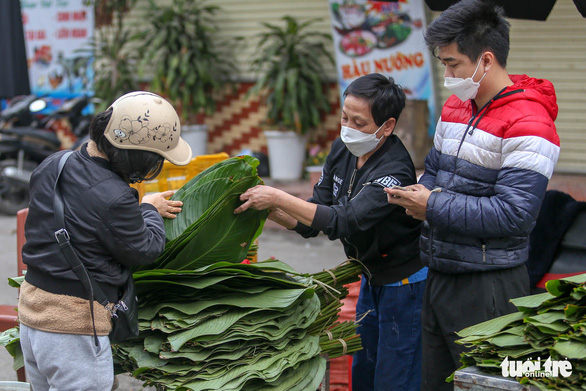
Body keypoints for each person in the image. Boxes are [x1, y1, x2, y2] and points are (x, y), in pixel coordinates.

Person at [384, 1, 560, 389]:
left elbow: (515, 215)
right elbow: (435, 170)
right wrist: (418, 195)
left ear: (486, 59)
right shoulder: (455, 108)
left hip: (489, 283)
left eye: (452, 64)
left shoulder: (530, 122)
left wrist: (432, 205)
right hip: (440, 271)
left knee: (483, 382)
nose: (447, 74)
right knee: (437, 382)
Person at [235, 73, 425, 391]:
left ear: (387, 126)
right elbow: (314, 219)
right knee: (364, 371)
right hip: (370, 277)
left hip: (404, 287)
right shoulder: (342, 149)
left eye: (359, 122)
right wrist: (269, 210)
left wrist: (277, 195)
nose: (348, 127)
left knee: (396, 377)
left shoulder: (394, 171)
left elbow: (344, 221)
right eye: (345, 116)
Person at [18, 91, 193, 391]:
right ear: (135, 155)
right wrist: (148, 209)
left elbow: (84, 218)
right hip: (72, 330)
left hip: (33, 319)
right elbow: (146, 249)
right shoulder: (116, 196)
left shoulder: (53, 164)